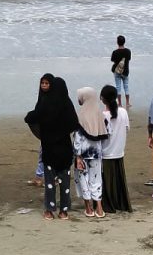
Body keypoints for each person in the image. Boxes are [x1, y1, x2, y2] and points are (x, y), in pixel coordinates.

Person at [24, 74, 78, 220]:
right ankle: (64, 211)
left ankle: (49, 210)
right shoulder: (67, 104)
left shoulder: (45, 103)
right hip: (65, 148)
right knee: (65, 181)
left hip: (49, 147)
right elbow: (74, 123)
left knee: (50, 182)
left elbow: (30, 118)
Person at [74, 86, 109, 217]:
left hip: (82, 154)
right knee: (96, 179)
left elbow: (78, 138)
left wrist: (77, 156)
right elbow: (107, 132)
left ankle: (88, 208)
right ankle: (99, 209)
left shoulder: (81, 116)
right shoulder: (100, 115)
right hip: (96, 153)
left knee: (83, 179)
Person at [99, 85, 131, 214]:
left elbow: (100, 135)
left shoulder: (103, 115)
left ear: (102, 98)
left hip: (106, 153)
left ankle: (109, 205)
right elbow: (127, 129)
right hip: (119, 151)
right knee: (118, 180)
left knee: (107, 181)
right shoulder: (123, 112)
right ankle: (120, 203)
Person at [111, 35, 132, 109]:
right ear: (124, 42)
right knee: (126, 87)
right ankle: (127, 103)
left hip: (117, 71)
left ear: (117, 42)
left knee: (118, 87)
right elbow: (129, 59)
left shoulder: (115, 52)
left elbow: (113, 60)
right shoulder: (128, 51)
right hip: (125, 71)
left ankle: (119, 103)